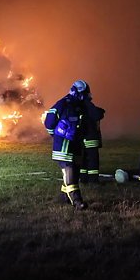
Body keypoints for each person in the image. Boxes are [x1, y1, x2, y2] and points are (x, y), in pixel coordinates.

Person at [43, 80, 87, 208]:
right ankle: (77, 201)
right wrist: (56, 136)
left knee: (75, 173)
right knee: (70, 171)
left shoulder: (80, 106)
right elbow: (49, 122)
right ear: (75, 92)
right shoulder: (62, 104)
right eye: (82, 94)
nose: (84, 97)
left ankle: (64, 197)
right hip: (63, 147)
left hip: (75, 145)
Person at [79, 84, 106, 184]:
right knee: (93, 160)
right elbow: (97, 115)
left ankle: (83, 179)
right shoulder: (89, 105)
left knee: (83, 161)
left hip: (81, 139)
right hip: (91, 138)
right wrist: (101, 111)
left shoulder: (78, 106)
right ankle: (93, 180)